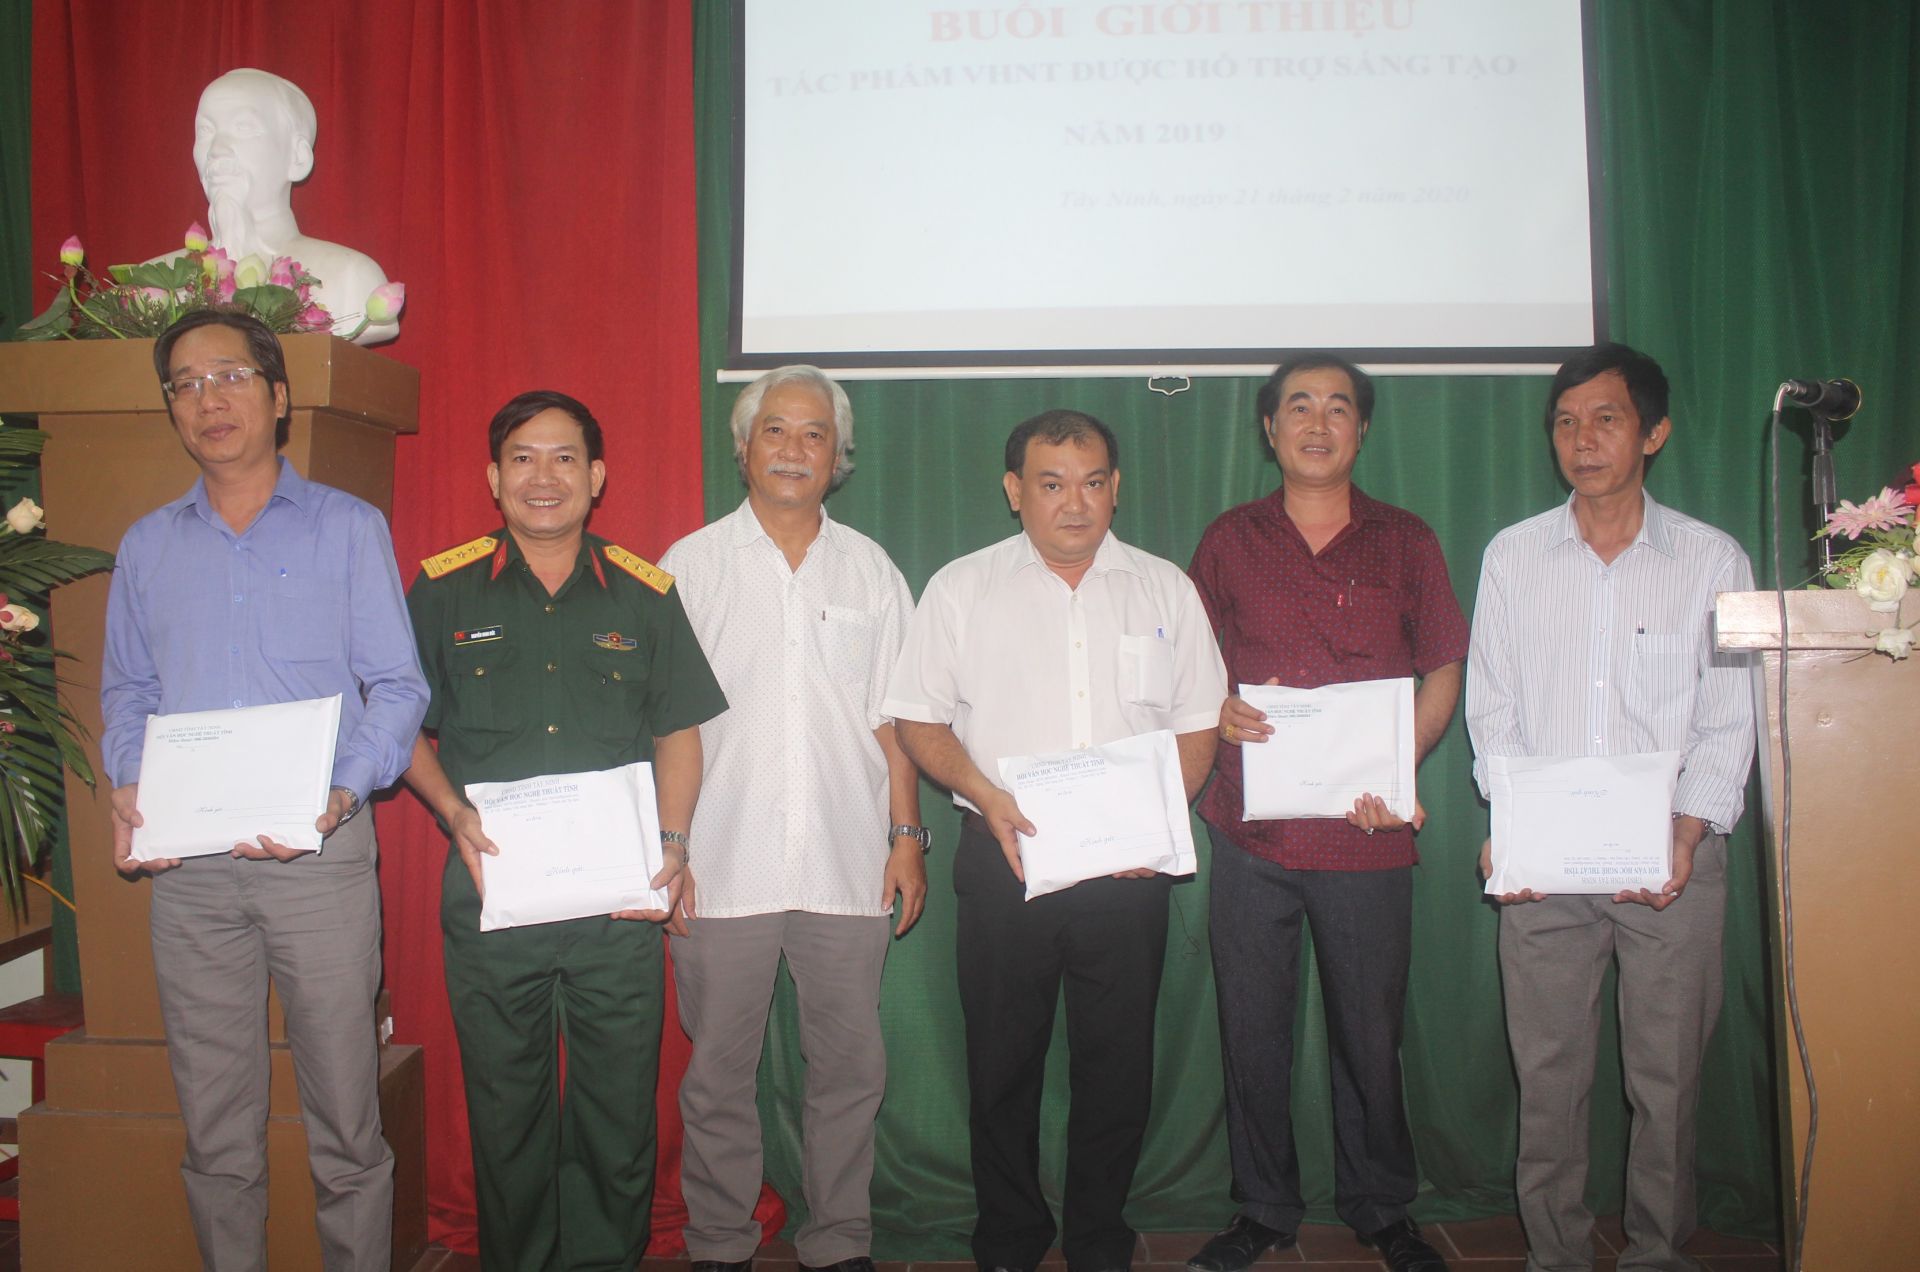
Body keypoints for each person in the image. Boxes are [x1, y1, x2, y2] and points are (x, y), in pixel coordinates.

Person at [101, 308, 430, 1270]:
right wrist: (130, 776)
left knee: (346, 1120)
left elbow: (399, 687)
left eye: (232, 376)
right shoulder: (148, 546)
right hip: (192, 875)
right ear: (172, 407)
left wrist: (341, 791)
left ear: (279, 396)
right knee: (214, 1127)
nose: (210, 399)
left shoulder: (348, 528)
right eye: (187, 384)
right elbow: (128, 690)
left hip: (319, 860)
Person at [885, 409, 1228, 1272]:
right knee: (1002, 1065)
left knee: (1118, 1067)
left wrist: (1154, 822)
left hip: (1129, 868)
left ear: (1116, 489)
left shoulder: (1164, 589)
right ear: (1015, 491)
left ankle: (1099, 1236)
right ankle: (1009, 1237)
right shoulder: (962, 588)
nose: (1075, 503)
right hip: (1004, 858)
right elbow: (918, 720)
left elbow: (1198, 724)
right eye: (1051, 483)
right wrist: (985, 794)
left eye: (1093, 482)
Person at [401, 390, 727, 1271]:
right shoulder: (442, 588)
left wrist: (673, 845)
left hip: (617, 902)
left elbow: (679, 732)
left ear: (597, 476)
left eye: (564, 458)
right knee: (505, 1107)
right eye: (523, 458)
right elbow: (395, 723)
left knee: (618, 1109)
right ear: (492, 477)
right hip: (493, 890)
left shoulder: (646, 593)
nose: (543, 477)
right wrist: (452, 812)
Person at [1465, 343, 1755, 1272]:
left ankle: (1657, 1252)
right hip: (1545, 863)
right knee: (1548, 1078)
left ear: (1653, 434)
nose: (1582, 440)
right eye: (1565, 422)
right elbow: (1492, 707)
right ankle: (1554, 1254)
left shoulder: (1711, 558)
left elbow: (1729, 715)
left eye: (1606, 419)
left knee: (1666, 1082)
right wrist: (1511, 829)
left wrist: (1687, 831)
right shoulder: (1514, 556)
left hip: (1672, 855)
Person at [1186, 354, 1465, 1272]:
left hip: (1367, 834)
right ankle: (1264, 1209)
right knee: (1252, 1032)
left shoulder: (1407, 540)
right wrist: (1216, 710)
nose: (1317, 422)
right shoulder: (1228, 540)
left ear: (1363, 429)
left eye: (1338, 407)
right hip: (1251, 832)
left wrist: (1396, 765)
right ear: (1269, 429)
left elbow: (1443, 667)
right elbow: (1187, 670)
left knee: (1370, 1036)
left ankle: (1381, 1207)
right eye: (1298, 407)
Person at [660, 366, 926, 1272]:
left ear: (838, 457)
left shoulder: (871, 569)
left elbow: (898, 720)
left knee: (850, 1071)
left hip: (847, 862)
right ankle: (719, 1242)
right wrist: (672, 847)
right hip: (719, 863)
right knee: (717, 1075)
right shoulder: (689, 565)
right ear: (743, 446)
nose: (793, 449)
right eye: (775, 429)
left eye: (815, 434)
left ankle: (840, 1240)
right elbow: (663, 722)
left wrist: (906, 838)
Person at [190, 68, 397, 343]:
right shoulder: (148, 288)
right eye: (206, 131)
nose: (216, 150)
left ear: (298, 158)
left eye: (244, 128)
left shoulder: (352, 278)